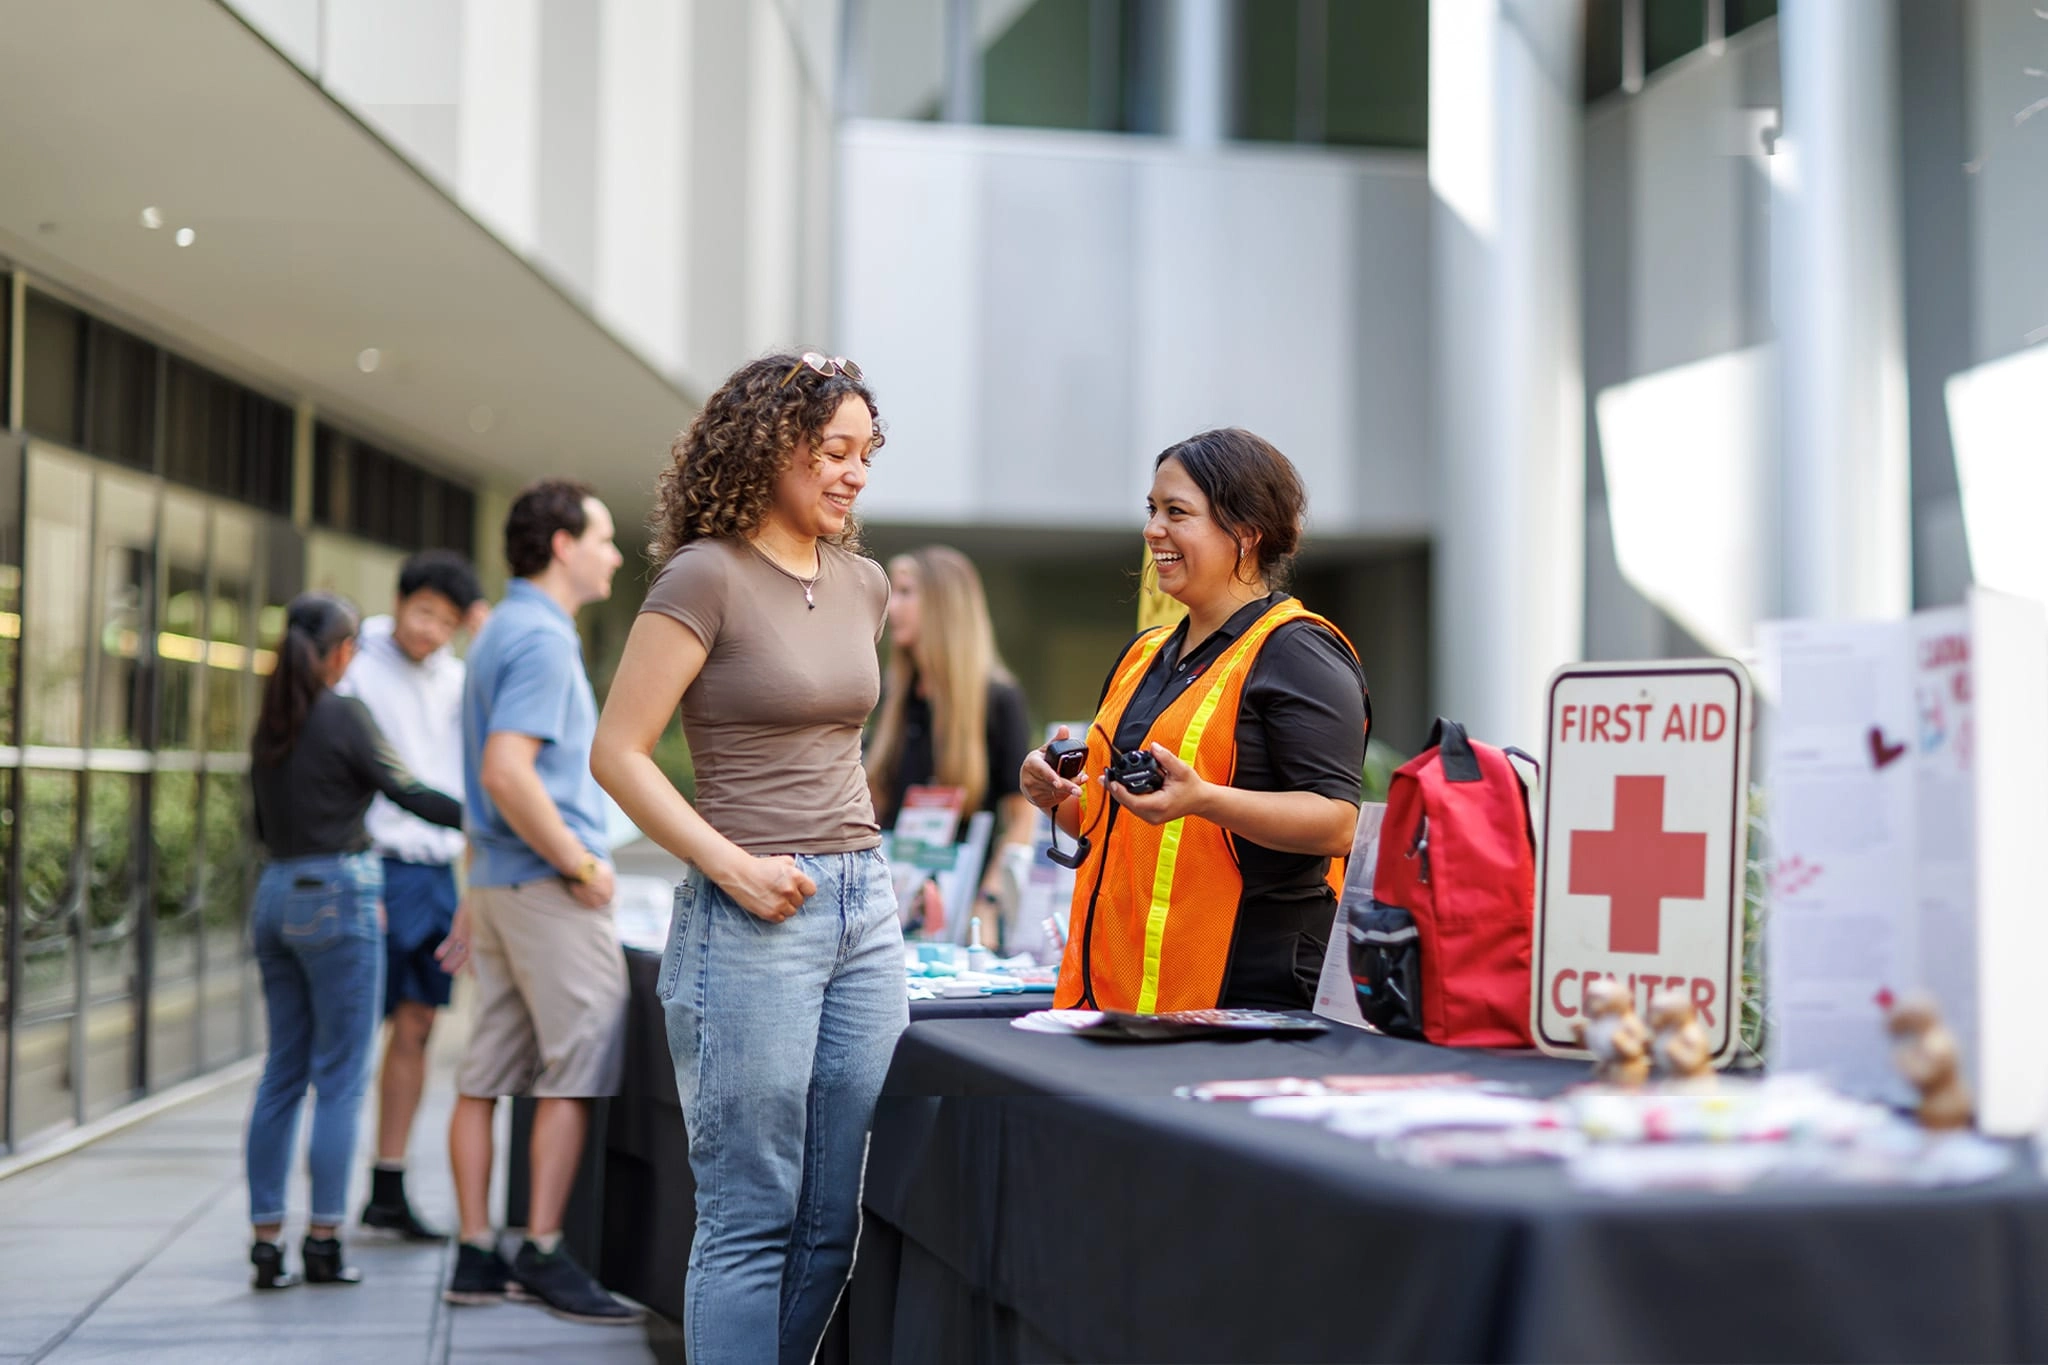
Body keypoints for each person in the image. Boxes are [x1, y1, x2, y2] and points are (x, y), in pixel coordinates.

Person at [590, 351, 903, 1365]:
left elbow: (838, 745)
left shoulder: (864, 585)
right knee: (750, 1215)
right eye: (831, 452)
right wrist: (731, 867)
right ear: (768, 451)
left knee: (833, 1216)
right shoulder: (704, 576)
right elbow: (617, 754)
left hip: (864, 905)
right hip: (752, 912)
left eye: (865, 454)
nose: (853, 473)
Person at [1020, 428, 1370, 1013]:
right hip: (1122, 994)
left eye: (1176, 512)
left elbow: (1338, 825)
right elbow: (1120, 826)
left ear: (1246, 533)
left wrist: (1205, 799)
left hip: (1251, 998)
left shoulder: (1297, 651)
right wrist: (1052, 795)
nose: (1152, 529)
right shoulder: (1144, 654)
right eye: (1152, 509)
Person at [435, 479, 640, 1325]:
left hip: (499, 882)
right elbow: (505, 771)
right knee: (582, 1050)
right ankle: (544, 1250)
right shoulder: (543, 639)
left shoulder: (499, 631)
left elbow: (489, 777)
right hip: (544, 884)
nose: (615, 553)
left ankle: (479, 1256)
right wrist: (582, 863)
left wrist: (476, 891)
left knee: (487, 1069)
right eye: (602, 536)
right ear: (561, 544)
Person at [244, 592, 465, 1290]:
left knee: (283, 1072)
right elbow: (407, 792)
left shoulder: (273, 720)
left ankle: (265, 1242)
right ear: (341, 652)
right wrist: (493, 817)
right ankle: (325, 1242)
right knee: (340, 1076)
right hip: (338, 894)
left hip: (276, 893)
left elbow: (258, 823)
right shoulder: (343, 712)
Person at [334, 549, 486, 1241]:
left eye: (446, 621)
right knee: (352, 1026)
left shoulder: (458, 679)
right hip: (370, 862)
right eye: (424, 611)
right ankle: (328, 1200)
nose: (430, 630)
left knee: (420, 1025)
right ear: (399, 601)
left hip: (432, 870)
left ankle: (388, 1184)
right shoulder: (355, 662)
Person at [864, 545, 1034, 929]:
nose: (892, 608)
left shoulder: (998, 699)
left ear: (944, 605)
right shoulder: (895, 696)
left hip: (964, 910)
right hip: (892, 903)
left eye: (906, 592)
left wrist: (988, 903)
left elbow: (1023, 819)